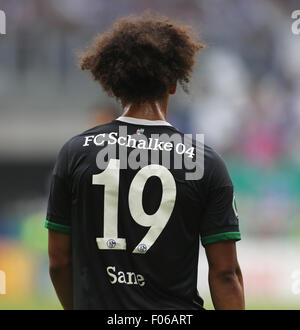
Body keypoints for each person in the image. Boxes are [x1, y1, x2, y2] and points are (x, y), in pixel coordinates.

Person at [45, 13, 244, 310]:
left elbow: (59, 261)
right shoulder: (204, 162)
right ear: (174, 83)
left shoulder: (75, 152)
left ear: (114, 85)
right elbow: (225, 273)